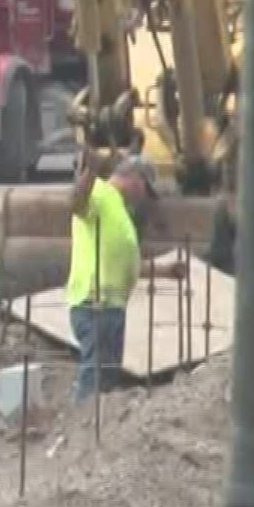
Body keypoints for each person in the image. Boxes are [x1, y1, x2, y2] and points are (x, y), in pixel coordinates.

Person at [66, 149, 180, 404]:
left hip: (111, 308)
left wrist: (163, 272)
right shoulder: (99, 194)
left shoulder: (118, 208)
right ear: (136, 178)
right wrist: (89, 174)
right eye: (146, 190)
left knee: (105, 381)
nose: (145, 199)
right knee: (94, 380)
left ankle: (93, 433)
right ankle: (79, 433)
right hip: (94, 304)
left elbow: (123, 262)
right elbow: (75, 204)